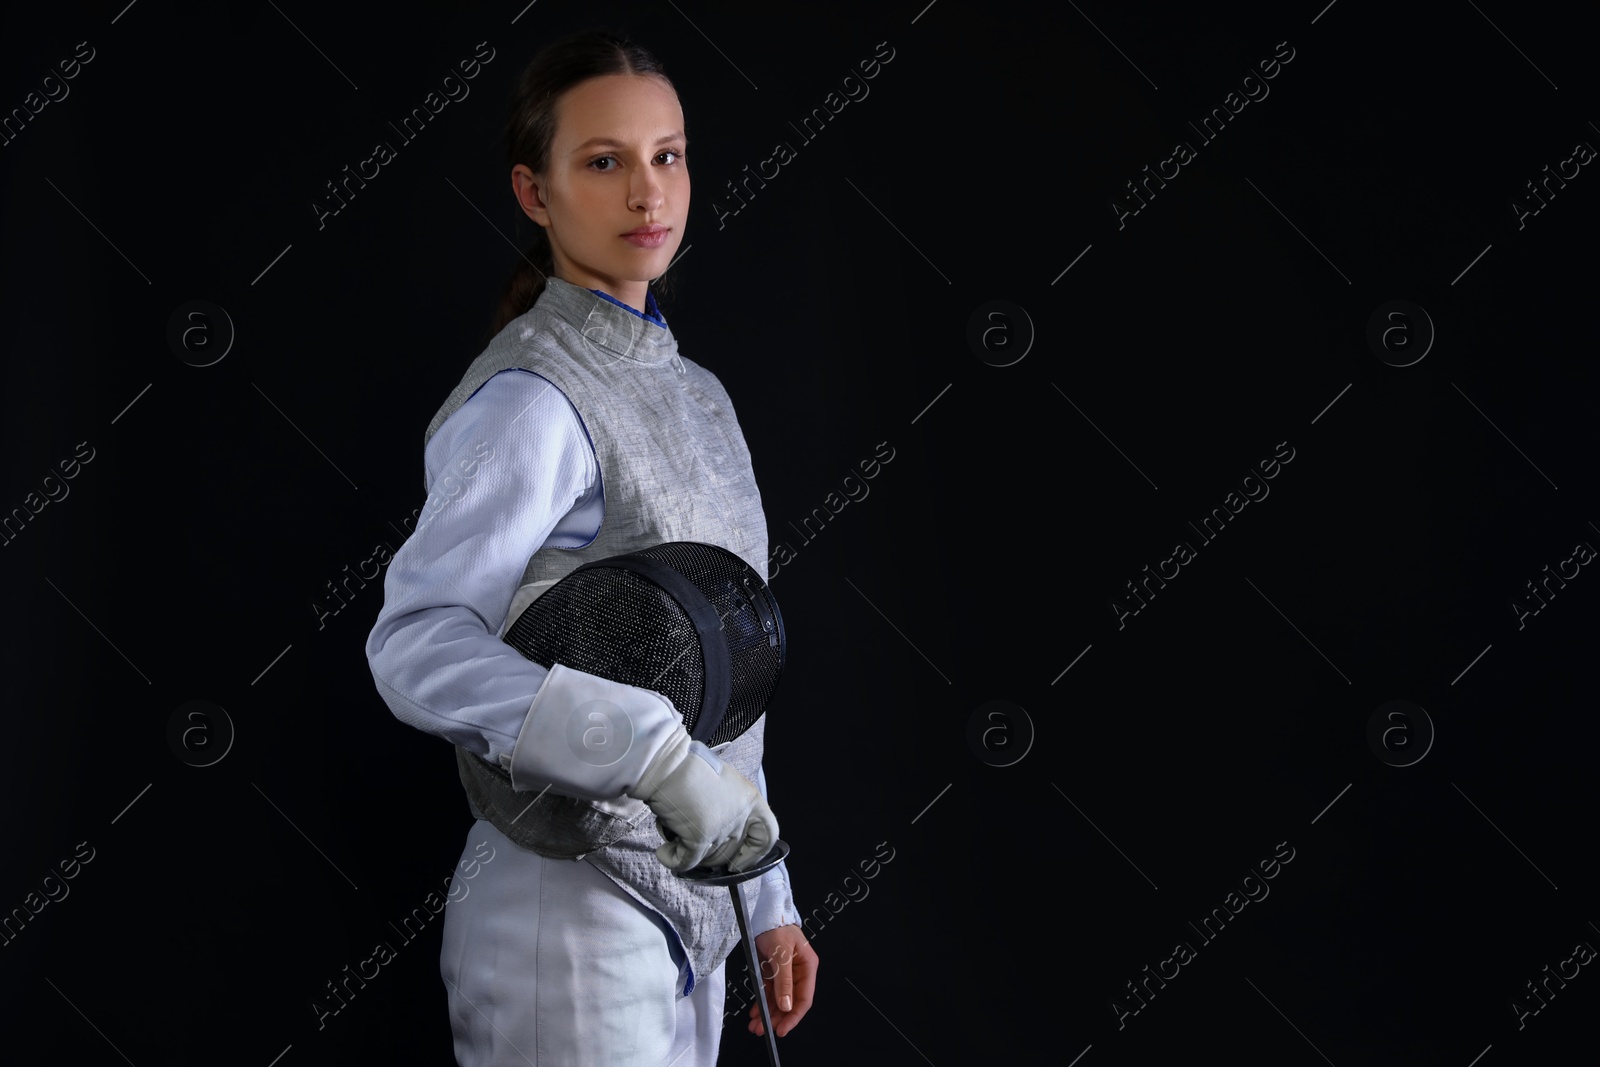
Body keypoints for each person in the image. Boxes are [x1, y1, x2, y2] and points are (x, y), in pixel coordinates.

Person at [364, 28, 818, 1067]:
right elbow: (417, 640)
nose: (647, 194)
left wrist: (766, 892)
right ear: (536, 193)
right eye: (604, 162)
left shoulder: (699, 395)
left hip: (693, 917)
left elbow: (720, 671)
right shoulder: (531, 394)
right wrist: (650, 756)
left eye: (669, 154)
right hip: (561, 904)